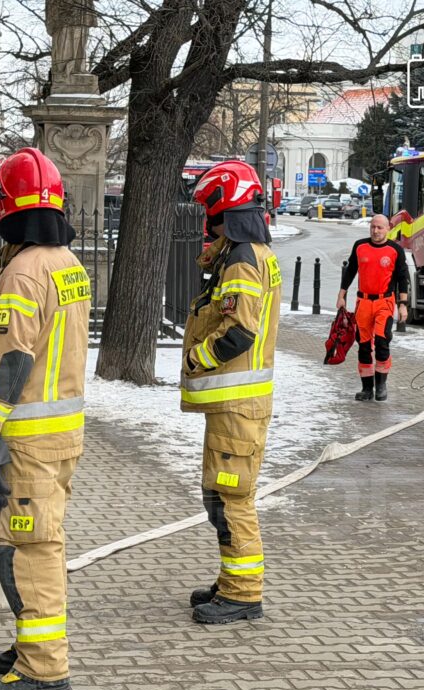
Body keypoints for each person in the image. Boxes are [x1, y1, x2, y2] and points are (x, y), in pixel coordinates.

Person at [0, 148, 89, 690]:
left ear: (6, 209)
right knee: (28, 540)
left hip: (27, 437)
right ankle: (29, 644)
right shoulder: (67, 264)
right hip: (58, 434)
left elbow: (12, 365)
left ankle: (43, 668)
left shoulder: (21, 271)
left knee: (31, 548)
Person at [184, 160, 281, 625]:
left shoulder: (244, 258)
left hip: (238, 406)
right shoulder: (249, 252)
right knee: (217, 496)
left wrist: (199, 357)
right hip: (235, 405)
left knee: (231, 499)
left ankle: (243, 593)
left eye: (208, 207)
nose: (206, 217)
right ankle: (232, 580)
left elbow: (239, 332)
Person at [337, 214, 410, 402]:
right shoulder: (360, 246)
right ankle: (367, 388)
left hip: (384, 302)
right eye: (373, 227)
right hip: (363, 302)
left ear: (388, 229)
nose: (375, 231)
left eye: (380, 228)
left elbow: (403, 277)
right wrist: (341, 295)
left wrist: (403, 305)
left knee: (382, 342)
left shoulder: (395, 250)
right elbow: (351, 270)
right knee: (363, 345)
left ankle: (381, 385)